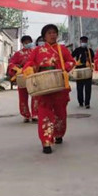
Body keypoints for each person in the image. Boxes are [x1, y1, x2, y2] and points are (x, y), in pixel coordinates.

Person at [23, 24, 75, 154]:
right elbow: (29, 63)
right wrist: (29, 69)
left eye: (54, 32)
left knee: (60, 112)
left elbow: (71, 61)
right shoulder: (37, 50)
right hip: (43, 84)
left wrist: (63, 69)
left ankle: (58, 133)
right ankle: (46, 141)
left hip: (59, 84)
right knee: (44, 112)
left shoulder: (62, 49)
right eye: (49, 33)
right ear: (44, 36)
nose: (52, 35)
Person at [8, 35, 37, 123]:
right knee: (23, 97)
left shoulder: (35, 52)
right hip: (22, 77)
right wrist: (17, 67)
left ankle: (35, 114)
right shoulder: (18, 54)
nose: (27, 43)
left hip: (34, 76)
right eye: (25, 42)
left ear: (31, 42)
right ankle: (26, 115)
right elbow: (11, 64)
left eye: (29, 42)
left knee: (35, 96)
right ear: (22, 43)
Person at [72, 36, 95, 108]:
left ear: (87, 42)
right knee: (79, 87)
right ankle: (81, 102)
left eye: (85, 41)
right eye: (83, 41)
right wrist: (75, 63)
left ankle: (87, 103)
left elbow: (93, 59)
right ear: (80, 42)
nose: (84, 42)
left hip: (87, 70)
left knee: (88, 88)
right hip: (79, 70)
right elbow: (70, 57)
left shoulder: (89, 50)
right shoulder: (77, 50)